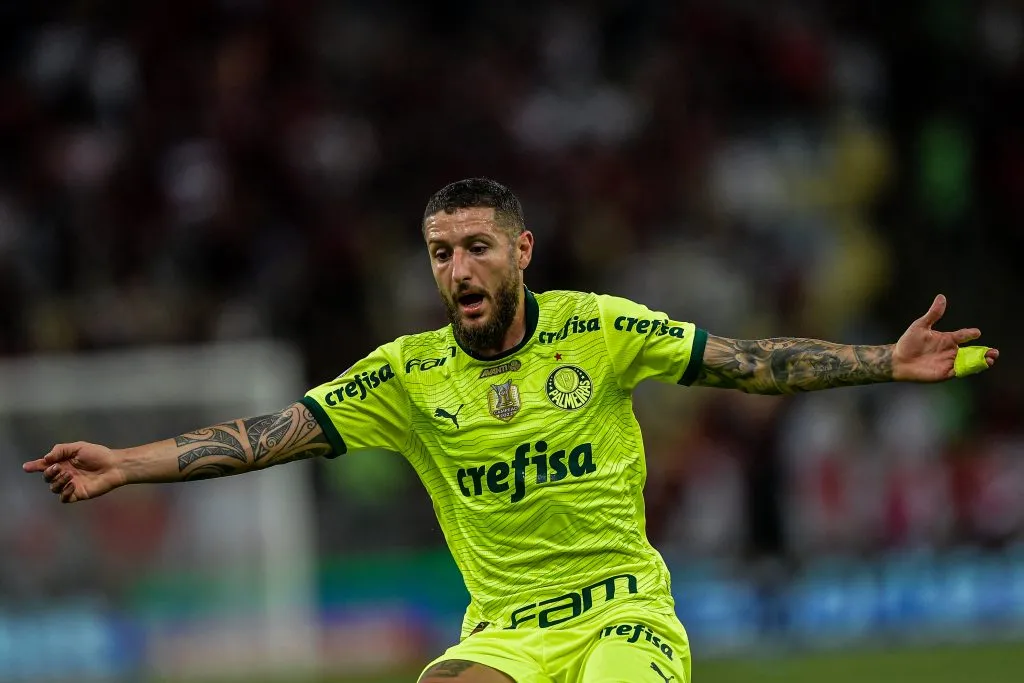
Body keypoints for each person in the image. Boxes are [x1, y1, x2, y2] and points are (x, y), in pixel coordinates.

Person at [24, 178, 998, 683]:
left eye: (476, 247)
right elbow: (268, 433)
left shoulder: (604, 329)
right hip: (505, 632)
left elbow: (747, 362)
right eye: (440, 252)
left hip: (623, 609)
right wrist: (128, 462)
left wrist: (883, 358)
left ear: (521, 251)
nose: (456, 269)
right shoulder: (404, 376)